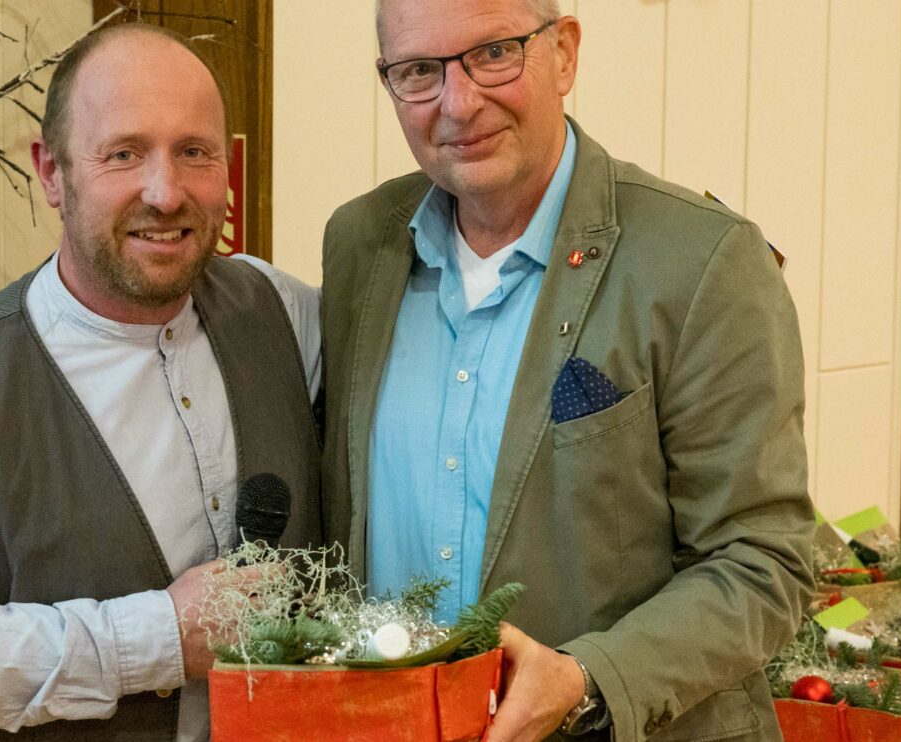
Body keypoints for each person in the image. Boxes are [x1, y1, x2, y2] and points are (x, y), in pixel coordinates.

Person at [319, 0, 814, 739]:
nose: (458, 102)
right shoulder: (360, 243)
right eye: (420, 71)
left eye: (494, 53)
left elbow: (763, 563)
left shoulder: (702, 260)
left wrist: (588, 680)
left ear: (565, 53)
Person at [0, 24, 322, 742]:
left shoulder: (282, 311)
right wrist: (154, 637)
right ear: (52, 171)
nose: (165, 191)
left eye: (194, 152)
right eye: (123, 154)